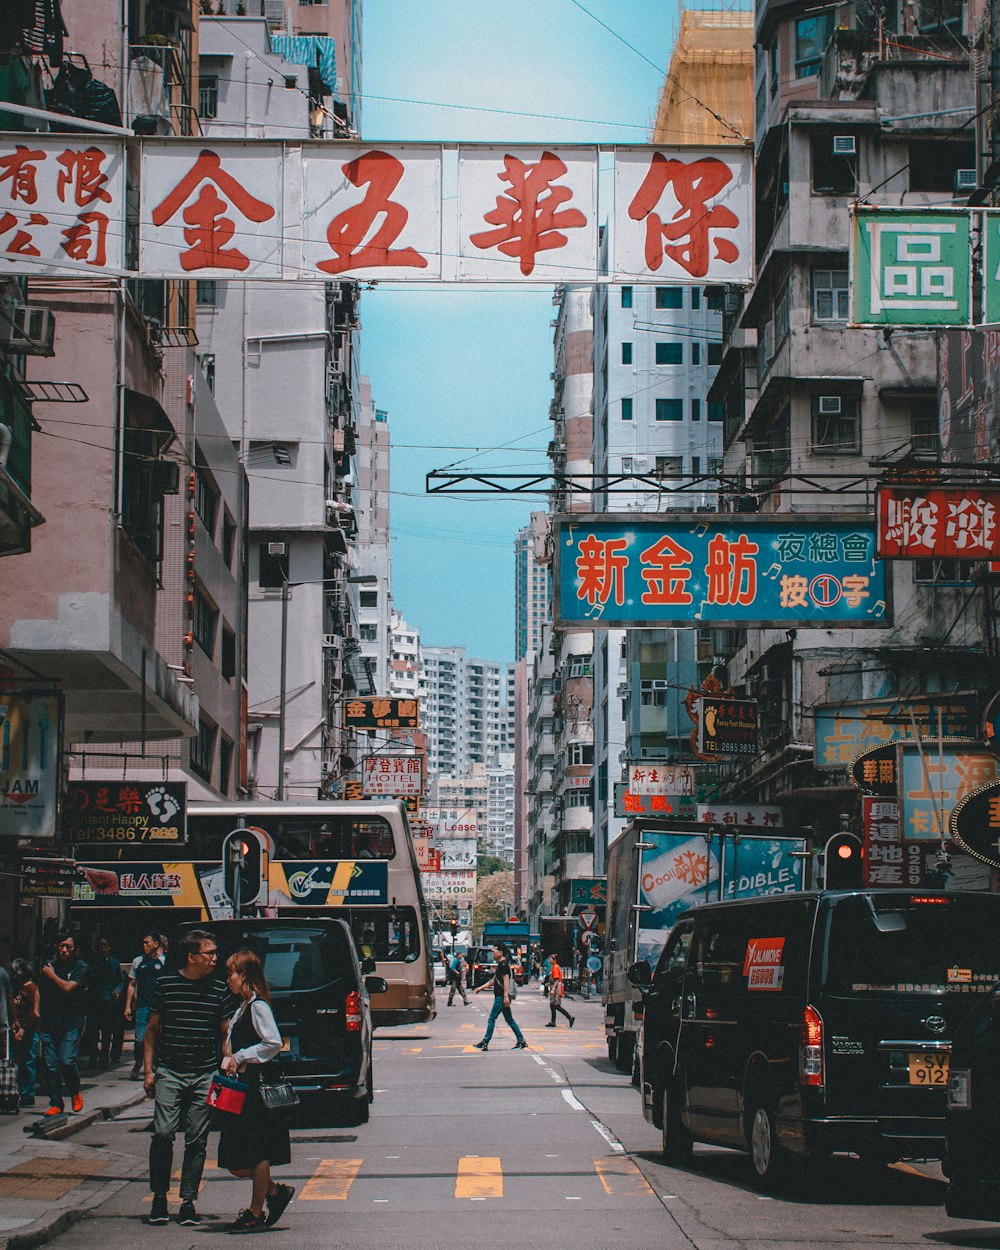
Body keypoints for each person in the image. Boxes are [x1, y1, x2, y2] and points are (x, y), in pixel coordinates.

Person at [143, 929, 232, 1227]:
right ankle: (159, 1197)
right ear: (192, 956)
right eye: (210, 953)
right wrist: (148, 1070)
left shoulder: (219, 989)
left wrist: (226, 1062)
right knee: (163, 1133)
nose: (215, 958)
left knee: (197, 1139)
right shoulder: (165, 985)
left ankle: (188, 1201)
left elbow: (224, 1034)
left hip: (205, 1072)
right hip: (170, 1070)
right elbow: (152, 1030)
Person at [217, 949, 295, 1233]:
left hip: (255, 1090)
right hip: (242, 1087)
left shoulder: (257, 1006)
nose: (228, 979)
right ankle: (274, 1191)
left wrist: (242, 1056)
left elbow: (272, 1042)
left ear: (245, 976)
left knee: (257, 1150)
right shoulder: (242, 1006)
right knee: (236, 1159)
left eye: (232, 973)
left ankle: (255, 1211)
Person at [38, 933, 89, 1116]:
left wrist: (51, 975)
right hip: (50, 1021)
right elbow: (39, 990)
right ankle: (56, 1103)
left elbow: (68, 988)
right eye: (61, 946)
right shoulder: (49, 965)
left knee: (66, 1060)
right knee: (50, 1065)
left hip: (71, 1021)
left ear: (75, 949)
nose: (64, 950)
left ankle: (75, 1091)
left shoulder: (80, 967)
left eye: (69, 947)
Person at [125, 932, 166, 1080]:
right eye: (143, 943)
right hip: (143, 1006)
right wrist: (128, 1006)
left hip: (160, 1007)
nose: (144, 945)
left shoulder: (164, 961)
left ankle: (154, 1066)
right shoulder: (138, 962)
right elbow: (131, 984)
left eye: (147, 942)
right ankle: (138, 1062)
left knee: (159, 1038)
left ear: (156, 944)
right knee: (140, 1039)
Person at [473, 944, 527, 1051]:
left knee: (492, 1018)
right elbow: (494, 980)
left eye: (494, 951)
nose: (493, 953)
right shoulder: (501, 964)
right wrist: (481, 988)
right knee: (509, 1020)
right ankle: (521, 1041)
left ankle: (485, 1042)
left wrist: (505, 997)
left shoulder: (503, 965)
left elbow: (506, 980)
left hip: (501, 996)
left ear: (500, 953)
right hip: (501, 996)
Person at [90, 937, 125, 1068]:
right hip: (95, 1001)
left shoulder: (114, 963)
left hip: (108, 1001)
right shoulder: (93, 962)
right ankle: (94, 1055)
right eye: (100, 946)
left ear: (109, 948)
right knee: (93, 1031)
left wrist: (117, 990)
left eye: (105, 946)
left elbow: (120, 980)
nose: (103, 949)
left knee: (107, 1031)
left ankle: (105, 1056)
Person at [11, 959, 39, 1107]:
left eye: (16, 972)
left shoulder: (31, 988)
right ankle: (15, 1091)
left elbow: (33, 1012)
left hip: (29, 1030)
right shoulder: (15, 988)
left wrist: (24, 1029)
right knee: (16, 1061)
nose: (14, 975)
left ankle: (28, 1094)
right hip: (16, 1028)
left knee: (28, 1061)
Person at [545, 954, 575, 1029]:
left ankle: (570, 1017)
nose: (549, 960)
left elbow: (557, 980)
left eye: (551, 959)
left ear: (554, 960)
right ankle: (553, 1021)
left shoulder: (555, 967)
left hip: (556, 988)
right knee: (552, 1005)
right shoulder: (554, 967)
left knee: (556, 1005)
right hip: (555, 987)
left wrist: (553, 989)